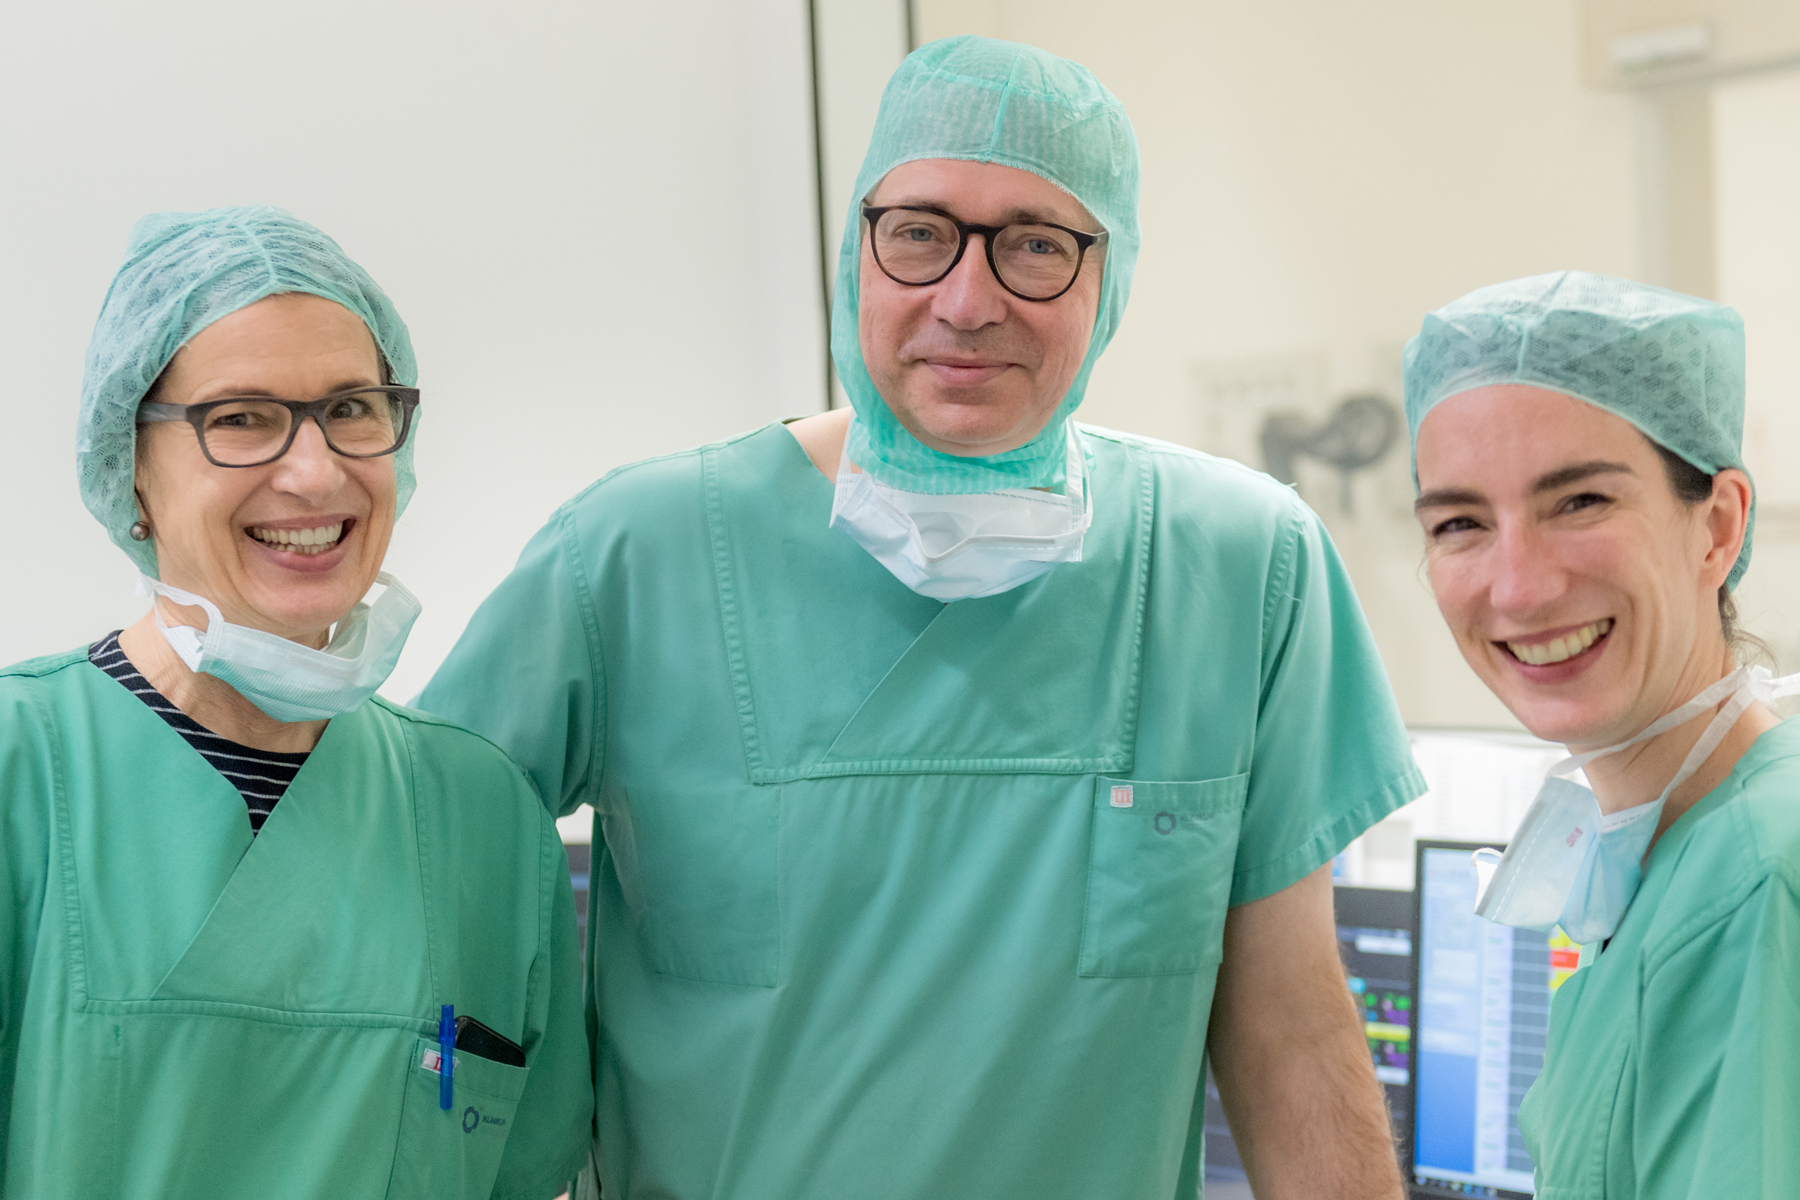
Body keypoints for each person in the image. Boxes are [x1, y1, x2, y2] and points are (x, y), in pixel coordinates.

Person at [421, 37, 1423, 1200]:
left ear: (1114, 283)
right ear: (858, 252)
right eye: (921, 233)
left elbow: (1291, 1030)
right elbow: (411, 890)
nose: (966, 298)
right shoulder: (637, 553)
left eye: (1038, 245)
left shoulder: (1243, 564)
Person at [0, 206, 591, 1198]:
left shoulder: (483, 816)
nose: (314, 471)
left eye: (353, 409)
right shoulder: (24, 772)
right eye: (240, 418)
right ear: (130, 468)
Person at [1405, 271, 1800, 1197]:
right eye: (1461, 523)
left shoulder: (1755, 881)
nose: (1519, 588)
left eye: (1579, 502)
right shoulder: (1676, 853)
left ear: (1717, 525)